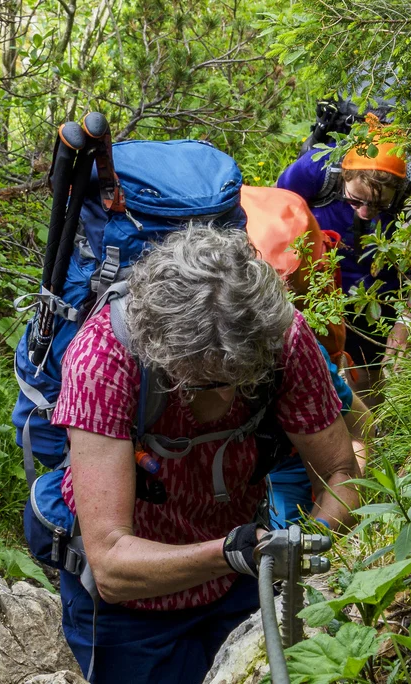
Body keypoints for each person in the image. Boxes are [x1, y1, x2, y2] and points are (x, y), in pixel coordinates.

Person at [51, 225, 360, 684]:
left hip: (241, 582)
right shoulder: (104, 359)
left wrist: (300, 543)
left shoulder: (281, 336)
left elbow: (339, 472)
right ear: (162, 351)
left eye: (240, 378)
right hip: (130, 609)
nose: (221, 400)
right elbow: (111, 564)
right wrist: (234, 553)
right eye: (198, 382)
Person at [276, 129, 410, 408]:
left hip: (375, 298)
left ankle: (367, 435)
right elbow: (278, 214)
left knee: (366, 377)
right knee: (309, 368)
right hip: (315, 286)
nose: (364, 211)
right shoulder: (316, 170)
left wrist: (403, 324)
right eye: (355, 200)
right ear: (343, 177)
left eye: (378, 204)